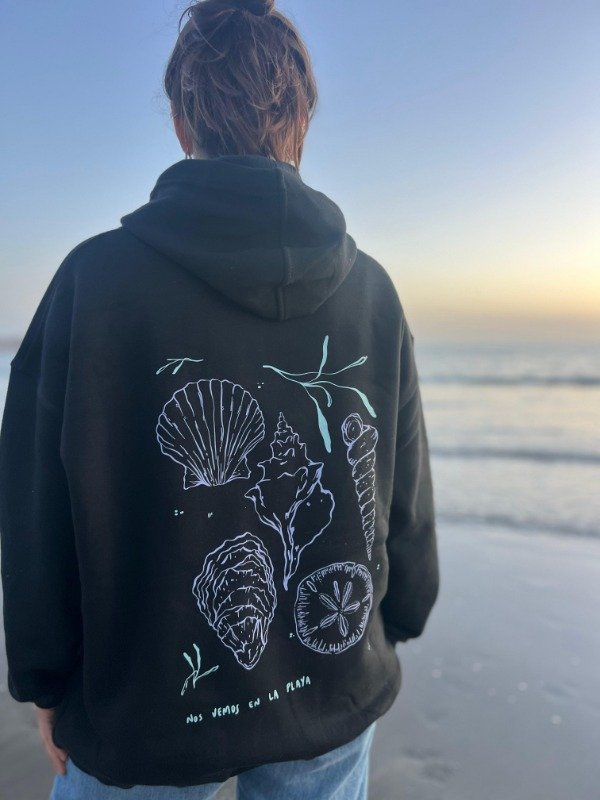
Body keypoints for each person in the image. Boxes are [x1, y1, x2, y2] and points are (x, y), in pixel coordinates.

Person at [0, 0, 440, 797]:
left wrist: (45, 676)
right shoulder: (372, 290)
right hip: (336, 680)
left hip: (143, 710)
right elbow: (400, 487)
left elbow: (36, 502)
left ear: (182, 122)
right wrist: (399, 615)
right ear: (301, 119)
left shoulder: (94, 282)